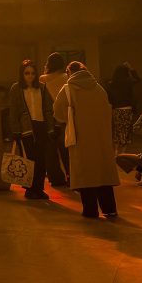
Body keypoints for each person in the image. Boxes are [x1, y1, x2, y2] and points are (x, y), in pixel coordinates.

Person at [53, 61, 120, 220]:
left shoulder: (68, 89)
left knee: (85, 174)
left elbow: (58, 113)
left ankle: (90, 211)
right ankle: (109, 209)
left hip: (80, 138)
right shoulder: (99, 88)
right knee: (102, 173)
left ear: (69, 72)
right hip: (101, 138)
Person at [7, 59, 54, 200]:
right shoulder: (16, 88)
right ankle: (30, 189)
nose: (30, 76)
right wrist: (15, 130)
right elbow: (13, 111)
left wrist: (51, 128)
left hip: (40, 126)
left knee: (41, 160)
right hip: (26, 128)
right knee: (29, 160)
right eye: (27, 73)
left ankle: (38, 188)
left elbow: (48, 109)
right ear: (22, 74)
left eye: (33, 73)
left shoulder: (42, 88)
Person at [40, 53, 69, 186]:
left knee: (50, 151)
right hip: (64, 117)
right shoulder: (67, 77)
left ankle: (56, 178)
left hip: (48, 118)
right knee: (66, 150)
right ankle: (72, 175)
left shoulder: (42, 79)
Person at [107, 62, 138, 151]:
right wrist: (131, 69)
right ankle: (122, 153)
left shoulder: (111, 83)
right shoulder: (128, 82)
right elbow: (138, 79)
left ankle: (116, 151)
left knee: (117, 130)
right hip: (127, 109)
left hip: (116, 109)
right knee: (126, 130)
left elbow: (109, 98)